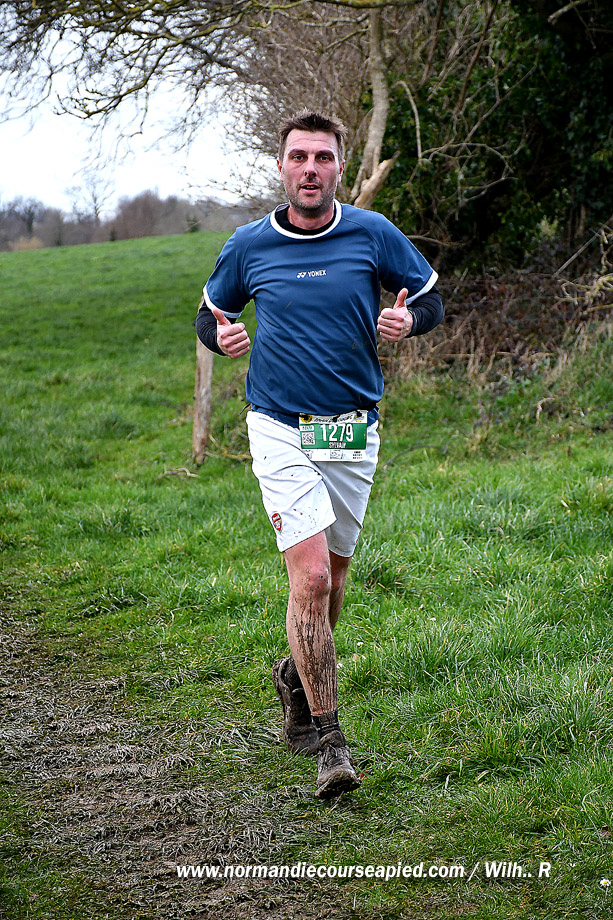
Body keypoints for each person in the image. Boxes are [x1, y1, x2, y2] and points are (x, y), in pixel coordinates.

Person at [196, 109, 444, 799]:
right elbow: (211, 313)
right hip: (277, 425)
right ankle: (331, 745)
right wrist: (222, 337)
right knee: (307, 580)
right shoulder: (250, 244)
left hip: (352, 430)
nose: (310, 169)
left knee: (332, 584)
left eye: (323, 157)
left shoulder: (372, 232)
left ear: (339, 166)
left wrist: (408, 320)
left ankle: (295, 679)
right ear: (281, 166)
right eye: (299, 157)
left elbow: (430, 298)